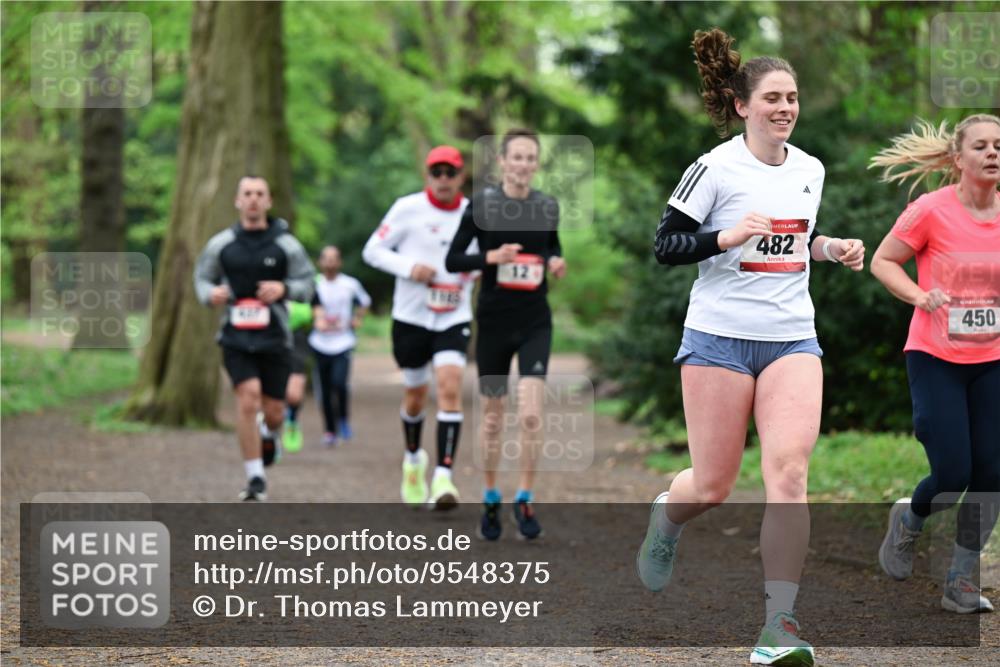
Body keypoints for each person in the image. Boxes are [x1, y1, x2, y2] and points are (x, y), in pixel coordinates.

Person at [633, 29, 864, 666]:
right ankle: (667, 517)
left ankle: (778, 625)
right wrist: (726, 235)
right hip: (717, 340)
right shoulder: (714, 168)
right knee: (712, 485)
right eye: (772, 98)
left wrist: (831, 248)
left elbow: (796, 242)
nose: (785, 107)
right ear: (743, 106)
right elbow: (665, 247)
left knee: (788, 475)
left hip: (792, 336)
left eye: (792, 97)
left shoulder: (810, 169)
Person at [870, 114, 1000, 615]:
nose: (992, 153)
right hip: (935, 356)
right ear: (957, 158)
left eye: (999, 146)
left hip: (992, 358)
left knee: (991, 471)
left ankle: (961, 579)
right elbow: (885, 261)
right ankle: (910, 517)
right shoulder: (931, 210)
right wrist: (920, 296)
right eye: (981, 146)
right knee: (951, 472)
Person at [445, 128, 566, 542]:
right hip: (494, 320)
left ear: (536, 164)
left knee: (531, 414)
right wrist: (491, 257)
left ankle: (525, 496)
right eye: (516, 157)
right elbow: (453, 258)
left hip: (535, 320)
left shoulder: (547, 206)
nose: (523, 164)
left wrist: (555, 262)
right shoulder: (481, 205)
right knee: (494, 418)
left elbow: (551, 247)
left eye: (530, 158)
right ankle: (492, 496)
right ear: (502, 162)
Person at [362, 145, 475, 510]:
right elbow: (372, 251)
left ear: (460, 177)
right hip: (411, 317)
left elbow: (481, 257)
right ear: (428, 175)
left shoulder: (474, 213)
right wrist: (409, 268)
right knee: (415, 395)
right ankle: (413, 460)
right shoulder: (407, 208)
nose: (443, 179)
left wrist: (471, 271)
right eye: (436, 172)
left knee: (449, 385)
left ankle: (444, 477)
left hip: (453, 316)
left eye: (450, 172)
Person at [193, 175, 315, 501]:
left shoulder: (286, 244)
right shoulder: (222, 244)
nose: (253, 199)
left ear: (269, 201)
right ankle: (255, 478)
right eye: (247, 193)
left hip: (275, 336)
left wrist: (284, 289)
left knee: (274, 410)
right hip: (234, 337)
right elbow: (202, 278)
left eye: (260, 194)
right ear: (237, 201)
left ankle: (269, 433)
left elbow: (308, 282)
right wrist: (211, 294)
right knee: (247, 398)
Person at [309, 245, 371, 448]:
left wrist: (357, 319)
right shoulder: (314, 284)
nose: (330, 262)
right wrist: (314, 320)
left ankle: (343, 419)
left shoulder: (350, 284)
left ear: (339, 262)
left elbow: (365, 301)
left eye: (334, 258)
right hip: (319, 343)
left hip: (343, 342)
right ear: (320, 262)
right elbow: (304, 305)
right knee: (324, 390)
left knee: (339, 383)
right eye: (326, 258)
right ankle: (329, 430)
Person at [282, 298, 314, 453]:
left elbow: (311, 311)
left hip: (296, 342)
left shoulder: (304, 280)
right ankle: (269, 434)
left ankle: (292, 421)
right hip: (268, 340)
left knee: (294, 395)